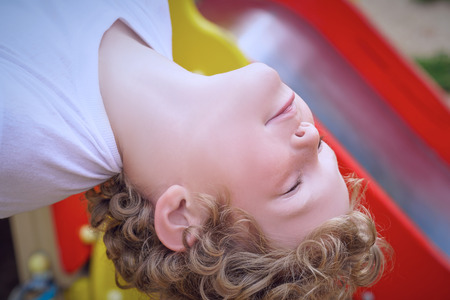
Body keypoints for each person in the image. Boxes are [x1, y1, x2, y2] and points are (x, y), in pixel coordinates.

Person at [0, 0, 388, 299]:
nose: (307, 135)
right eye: (321, 149)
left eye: (293, 186)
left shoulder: (21, 139)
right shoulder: (153, 16)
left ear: (184, 216)